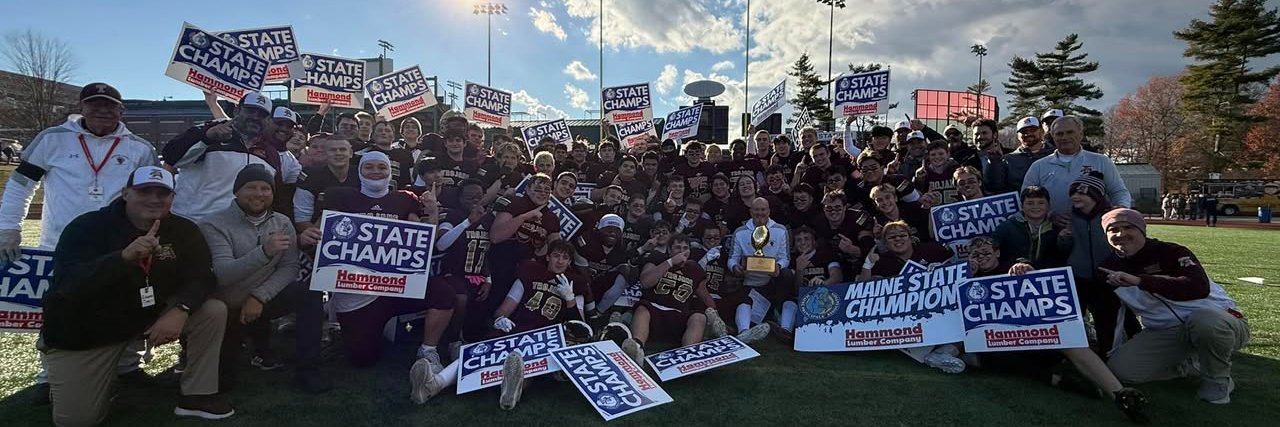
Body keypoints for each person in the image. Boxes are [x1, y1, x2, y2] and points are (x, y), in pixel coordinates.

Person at [0, 82, 158, 403]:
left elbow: (150, 194)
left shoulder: (139, 147)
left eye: (109, 105)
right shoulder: (52, 139)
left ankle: (128, 366)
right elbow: (21, 185)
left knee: (125, 300)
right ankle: (49, 375)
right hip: (60, 241)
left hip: (118, 241)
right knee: (58, 306)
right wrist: (8, 227)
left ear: (121, 110)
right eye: (94, 104)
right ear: (81, 107)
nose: (102, 110)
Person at [42, 166, 234, 424]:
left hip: (148, 315)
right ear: (125, 193)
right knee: (78, 420)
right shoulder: (87, 227)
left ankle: (196, 395)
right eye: (144, 191)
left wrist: (181, 309)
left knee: (213, 310)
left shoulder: (183, 230)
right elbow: (68, 285)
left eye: (162, 193)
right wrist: (122, 258)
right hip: (89, 328)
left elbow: (202, 277)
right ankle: (76, 380)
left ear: (172, 198)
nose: (154, 199)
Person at [961, 236, 1150, 423]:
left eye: (986, 252)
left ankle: (1120, 394)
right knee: (977, 355)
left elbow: (1030, 269)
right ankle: (1055, 379)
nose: (981, 257)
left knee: (1070, 343)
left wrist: (1027, 269)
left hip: (1040, 340)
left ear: (997, 253)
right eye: (975, 255)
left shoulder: (1012, 267)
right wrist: (965, 273)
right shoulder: (968, 277)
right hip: (1007, 347)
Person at [1098, 209, 1249, 404]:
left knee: (1204, 321)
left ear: (1142, 230)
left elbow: (1197, 287)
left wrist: (1141, 281)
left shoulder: (1171, 252)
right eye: (1113, 230)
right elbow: (1113, 314)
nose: (1120, 234)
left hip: (1219, 320)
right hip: (1167, 331)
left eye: (1128, 227)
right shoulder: (1108, 267)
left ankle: (1218, 379)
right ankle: (1186, 364)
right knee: (1121, 370)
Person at [198, 165, 302, 390]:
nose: (258, 193)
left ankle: (305, 363)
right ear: (236, 191)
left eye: (265, 188)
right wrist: (264, 252)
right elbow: (224, 274)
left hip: (262, 297)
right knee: (224, 382)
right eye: (251, 187)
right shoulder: (212, 224)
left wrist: (259, 296)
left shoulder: (282, 222)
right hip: (225, 304)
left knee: (306, 293)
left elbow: (290, 266)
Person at [163, 92, 277, 222]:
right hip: (194, 221)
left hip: (238, 227)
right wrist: (207, 137)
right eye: (251, 111)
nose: (256, 117)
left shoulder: (270, 151)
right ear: (237, 111)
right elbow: (171, 157)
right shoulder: (207, 129)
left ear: (268, 120)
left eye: (262, 114)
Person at [1061, 171, 1136, 356]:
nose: (1074, 197)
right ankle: (1077, 356)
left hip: (1107, 278)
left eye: (1081, 193)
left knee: (1108, 320)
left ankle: (1109, 354)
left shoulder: (1111, 218)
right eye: (1073, 193)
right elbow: (1064, 249)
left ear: (1095, 196)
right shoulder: (1071, 217)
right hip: (1079, 277)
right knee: (1075, 320)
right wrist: (1064, 238)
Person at [621, 233, 721, 364]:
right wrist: (670, 262)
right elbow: (645, 282)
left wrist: (717, 315)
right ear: (669, 250)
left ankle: (688, 356)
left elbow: (704, 294)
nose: (682, 251)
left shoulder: (694, 269)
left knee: (699, 317)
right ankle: (636, 348)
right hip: (654, 311)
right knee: (642, 309)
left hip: (679, 315)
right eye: (677, 248)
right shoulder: (657, 258)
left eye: (685, 248)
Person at [1023, 116, 1131, 219]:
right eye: (1059, 134)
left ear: (1081, 134)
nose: (1064, 137)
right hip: (1052, 231)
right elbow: (1025, 198)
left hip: (1093, 229)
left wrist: (1121, 209)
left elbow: (1118, 191)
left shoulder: (1101, 161)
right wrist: (1049, 215)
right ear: (1052, 136)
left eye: (1070, 132)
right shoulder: (1039, 166)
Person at [725, 197, 792, 336]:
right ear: (750, 211)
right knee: (744, 300)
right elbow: (732, 258)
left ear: (768, 211)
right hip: (749, 281)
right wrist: (735, 268)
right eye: (756, 209)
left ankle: (785, 330)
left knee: (787, 275)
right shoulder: (740, 232)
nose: (760, 213)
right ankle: (744, 332)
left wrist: (778, 266)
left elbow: (785, 257)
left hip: (773, 281)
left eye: (763, 209)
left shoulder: (780, 230)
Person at [992, 186, 1064, 269]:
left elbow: (1061, 256)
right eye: (1030, 203)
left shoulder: (1057, 228)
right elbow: (993, 250)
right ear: (1022, 206)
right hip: (1014, 275)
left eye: (1041, 203)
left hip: (1046, 277)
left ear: (1048, 205)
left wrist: (1065, 239)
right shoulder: (1006, 227)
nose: (1035, 206)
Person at [859, 221, 953, 280]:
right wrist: (867, 264)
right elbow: (863, 288)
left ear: (911, 238)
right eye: (892, 237)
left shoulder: (931, 250)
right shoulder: (881, 262)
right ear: (885, 243)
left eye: (903, 235)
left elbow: (956, 263)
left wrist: (944, 268)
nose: (898, 238)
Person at [1000, 117, 1054, 194]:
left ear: (1041, 131)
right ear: (1018, 136)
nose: (1028, 134)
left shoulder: (1054, 154)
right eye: (1023, 131)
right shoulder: (1008, 160)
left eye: (1033, 130)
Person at [355, 121, 415, 189]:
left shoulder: (405, 155)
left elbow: (409, 180)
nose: (383, 133)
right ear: (373, 135)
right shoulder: (364, 153)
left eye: (387, 131)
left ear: (393, 136)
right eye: (380, 130)